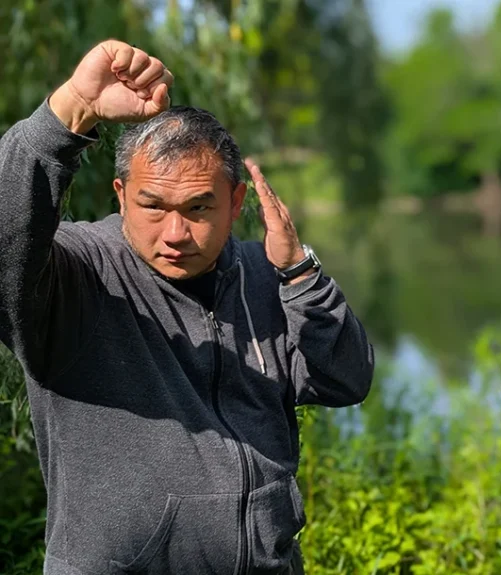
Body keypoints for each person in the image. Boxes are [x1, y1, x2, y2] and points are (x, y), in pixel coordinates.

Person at [0, 40, 374, 574]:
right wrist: (72, 109)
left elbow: (347, 380)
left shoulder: (265, 275)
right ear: (121, 194)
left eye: (199, 207)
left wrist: (300, 273)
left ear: (236, 203)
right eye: (153, 205)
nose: (176, 233)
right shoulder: (75, 274)